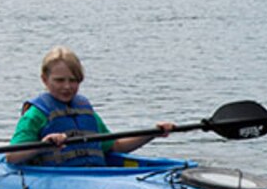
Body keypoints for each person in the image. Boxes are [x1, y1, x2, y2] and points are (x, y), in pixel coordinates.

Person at [9, 46, 173, 165]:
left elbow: (116, 146)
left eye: (73, 80)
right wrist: (43, 144)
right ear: (45, 79)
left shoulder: (85, 111)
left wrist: (152, 133)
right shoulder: (35, 115)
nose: (67, 86)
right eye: (59, 80)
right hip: (58, 179)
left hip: (94, 177)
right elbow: (12, 157)